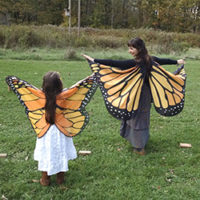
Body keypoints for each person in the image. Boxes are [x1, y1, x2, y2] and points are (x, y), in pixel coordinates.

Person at [82, 37, 185, 155]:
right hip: (143, 93)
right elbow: (163, 60)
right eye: (129, 48)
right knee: (137, 115)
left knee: (137, 117)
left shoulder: (138, 62)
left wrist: (94, 60)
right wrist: (177, 61)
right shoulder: (150, 59)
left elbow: (114, 63)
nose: (129, 51)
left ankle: (139, 147)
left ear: (139, 49)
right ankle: (138, 142)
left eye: (132, 48)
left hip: (139, 93)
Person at [6, 71, 97, 185]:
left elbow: (29, 88)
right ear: (60, 85)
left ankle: (45, 179)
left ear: (44, 85)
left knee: (46, 153)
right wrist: (90, 78)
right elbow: (76, 88)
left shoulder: (39, 96)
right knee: (61, 152)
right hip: (62, 131)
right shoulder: (65, 96)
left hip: (45, 132)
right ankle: (60, 179)